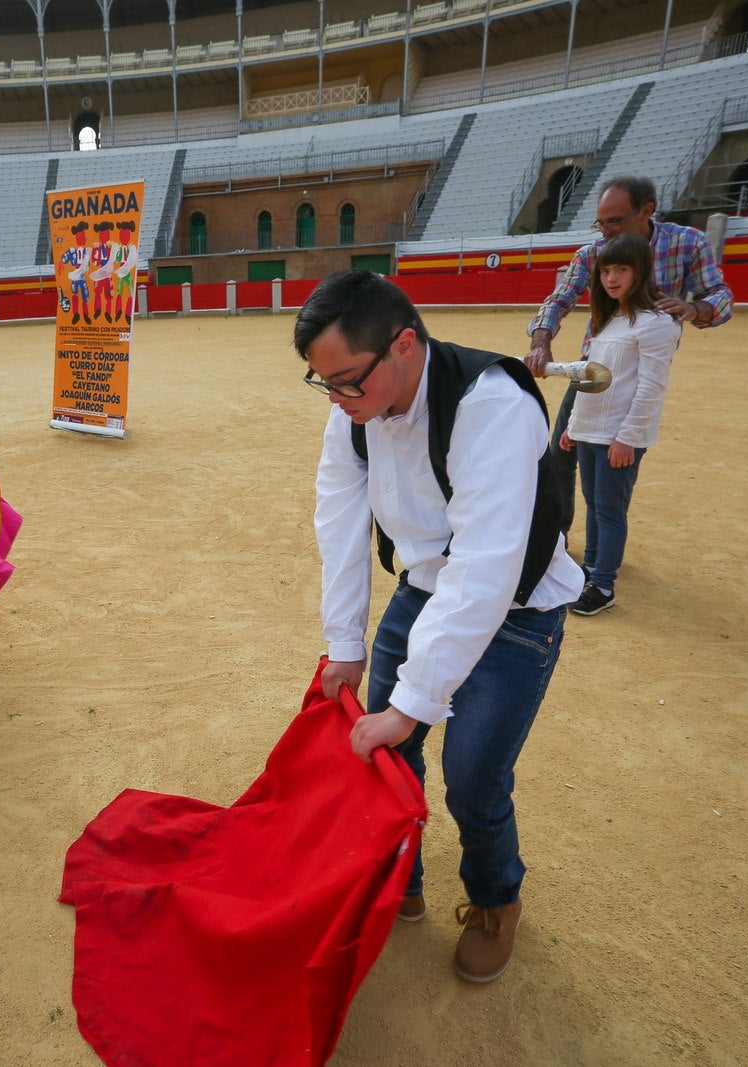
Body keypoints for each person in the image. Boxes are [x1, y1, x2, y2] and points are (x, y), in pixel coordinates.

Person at [297, 270, 584, 983]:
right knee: (389, 757)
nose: (336, 400)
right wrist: (345, 645)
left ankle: (495, 900)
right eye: (322, 382)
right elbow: (339, 520)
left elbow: (486, 565)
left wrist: (411, 701)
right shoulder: (354, 407)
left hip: (520, 610)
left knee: (473, 778)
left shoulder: (492, 403)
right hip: (424, 590)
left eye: (347, 381)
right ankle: (402, 877)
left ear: (402, 344)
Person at [525, 175, 732, 531]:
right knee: (561, 453)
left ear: (646, 211)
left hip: (641, 373)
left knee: (619, 464)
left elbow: (720, 295)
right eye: (601, 223)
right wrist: (540, 342)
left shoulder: (687, 243)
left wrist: (695, 308)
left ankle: (605, 550)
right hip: (594, 369)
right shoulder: (591, 254)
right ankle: (556, 541)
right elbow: (557, 301)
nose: (605, 232)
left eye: (615, 221)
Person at [560, 234, 681, 616]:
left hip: (618, 436)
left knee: (610, 510)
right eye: (607, 270)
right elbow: (590, 380)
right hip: (591, 429)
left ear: (640, 271)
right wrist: (573, 425)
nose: (612, 278)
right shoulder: (610, 320)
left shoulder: (657, 324)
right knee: (595, 504)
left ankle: (604, 585)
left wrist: (628, 437)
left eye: (622, 269)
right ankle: (591, 571)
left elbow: (650, 388)